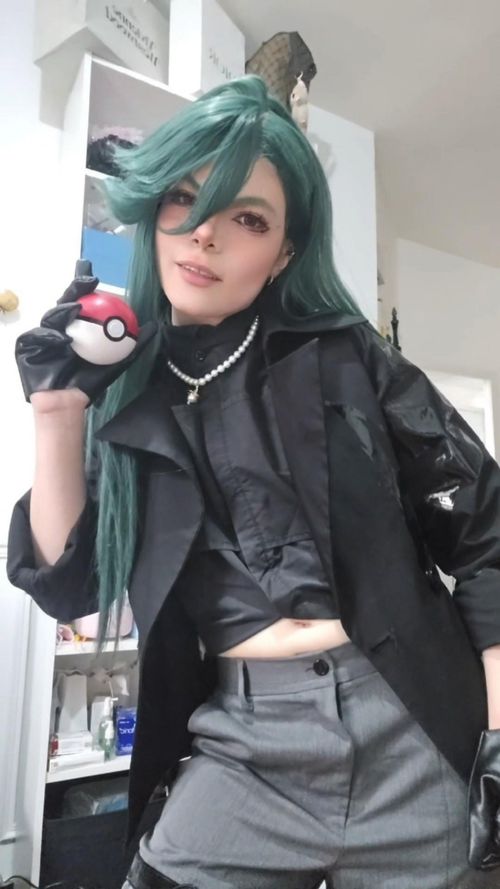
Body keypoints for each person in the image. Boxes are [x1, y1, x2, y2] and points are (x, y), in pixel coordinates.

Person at [7, 74, 500, 889]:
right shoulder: (123, 398)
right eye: (185, 198)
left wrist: (497, 737)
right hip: (243, 745)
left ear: (284, 254)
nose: (205, 233)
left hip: (413, 723)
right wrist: (59, 412)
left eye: (247, 218)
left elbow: (486, 536)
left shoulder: (348, 357)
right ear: (152, 213)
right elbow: (67, 583)